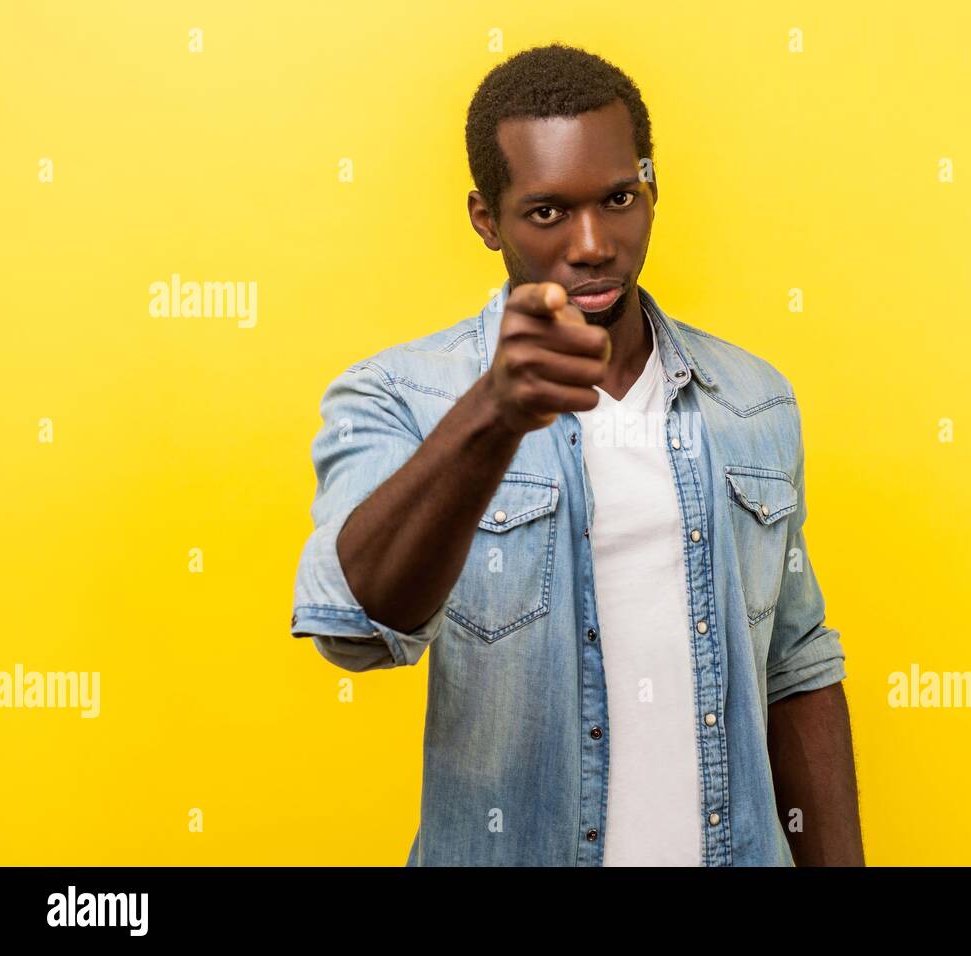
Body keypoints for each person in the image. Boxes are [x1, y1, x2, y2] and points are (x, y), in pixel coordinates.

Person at [290, 42, 863, 866]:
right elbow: (358, 628)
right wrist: (491, 414)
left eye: (619, 198)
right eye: (548, 212)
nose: (594, 242)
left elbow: (798, 668)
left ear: (651, 190)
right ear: (487, 219)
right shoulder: (395, 395)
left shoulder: (754, 399)